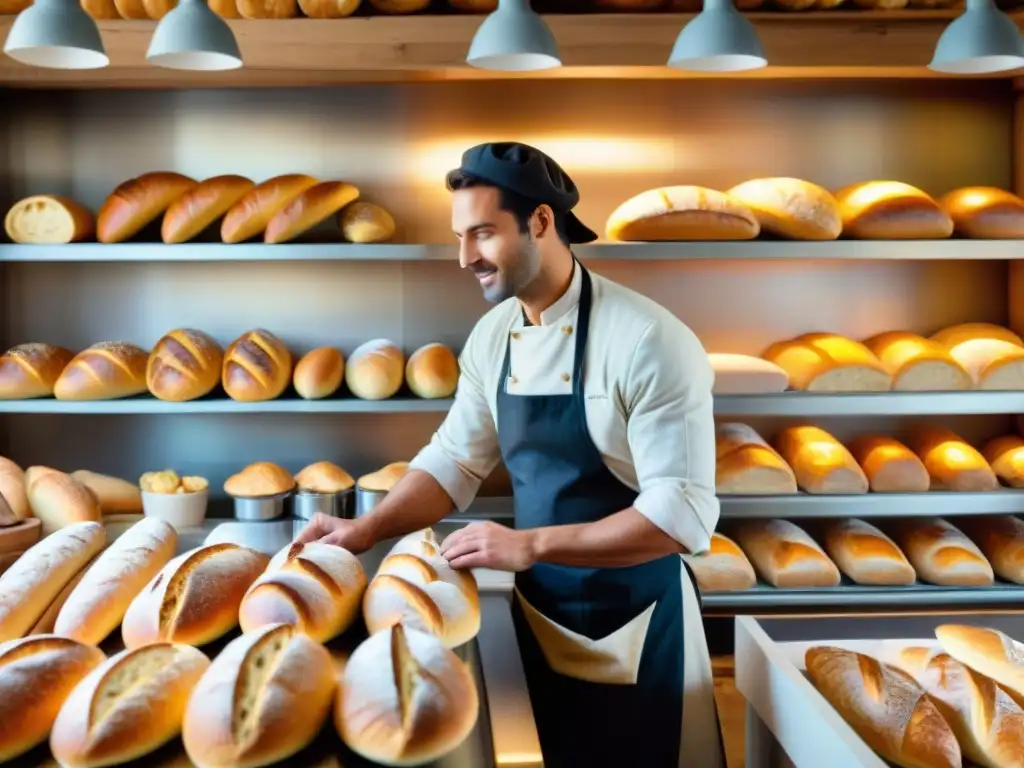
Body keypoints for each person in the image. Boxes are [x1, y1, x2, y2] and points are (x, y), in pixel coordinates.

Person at [296, 141, 724, 768]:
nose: (465, 257)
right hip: (541, 614)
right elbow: (454, 461)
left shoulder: (648, 341)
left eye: (482, 234)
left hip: (637, 620)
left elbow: (678, 516)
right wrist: (364, 532)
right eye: (459, 237)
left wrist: (530, 545)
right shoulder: (494, 335)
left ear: (542, 222)